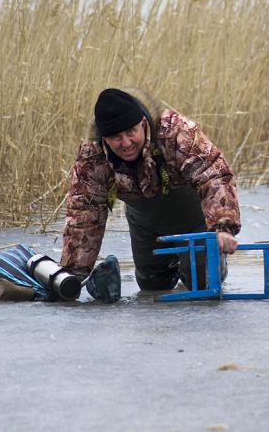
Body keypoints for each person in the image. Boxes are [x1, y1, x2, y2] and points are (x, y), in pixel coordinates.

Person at [60, 88, 240, 297]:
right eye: (116, 137)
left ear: (143, 124)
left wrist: (223, 227)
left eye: (131, 132)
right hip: (145, 225)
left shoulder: (175, 132)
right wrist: (72, 276)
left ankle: (210, 263)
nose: (126, 143)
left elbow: (214, 175)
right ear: (105, 139)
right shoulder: (93, 157)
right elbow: (84, 215)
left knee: (202, 282)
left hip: (194, 219)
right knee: (152, 286)